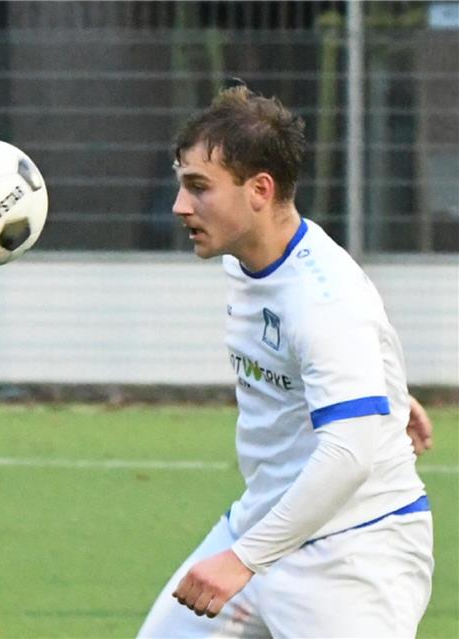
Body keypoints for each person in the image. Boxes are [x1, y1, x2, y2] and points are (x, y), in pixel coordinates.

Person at [137, 84, 435, 637]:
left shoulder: (321, 296)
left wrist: (243, 559)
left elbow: (349, 451)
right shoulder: (248, 257)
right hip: (265, 522)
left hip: (352, 552)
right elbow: (348, 342)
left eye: (198, 187)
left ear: (259, 190)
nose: (180, 205)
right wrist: (385, 390)